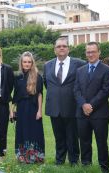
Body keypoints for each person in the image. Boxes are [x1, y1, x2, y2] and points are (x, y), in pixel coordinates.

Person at [43, 37, 86, 166]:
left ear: (68, 49)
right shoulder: (47, 65)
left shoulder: (79, 64)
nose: (61, 48)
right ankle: (59, 160)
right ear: (54, 49)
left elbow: (83, 84)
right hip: (54, 106)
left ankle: (73, 160)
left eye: (64, 46)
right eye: (59, 46)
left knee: (72, 136)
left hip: (72, 106)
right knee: (59, 136)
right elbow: (47, 83)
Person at [74, 42, 109, 173]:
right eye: (88, 52)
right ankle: (86, 165)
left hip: (100, 113)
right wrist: (83, 104)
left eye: (93, 51)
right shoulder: (80, 70)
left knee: (101, 142)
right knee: (84, 141)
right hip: (82, 113)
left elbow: (106, 90)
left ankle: (104, 169)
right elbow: (76, 90)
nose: (90, 54)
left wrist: (91, 105)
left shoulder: (107, 70)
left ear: (99, 52)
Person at [10, 51, 45, 163]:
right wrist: (11, 111)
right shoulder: (18, 76)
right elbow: (15, 96)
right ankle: (22, 156)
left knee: (35, 131)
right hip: (21, 108)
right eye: (25, 62)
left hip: (33, 107)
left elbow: (39, 94)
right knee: (22, 131)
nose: (27, 64)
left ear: (32, 63)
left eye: (29, 62)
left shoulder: (37, 76)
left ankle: (36, 157)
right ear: (21, 63)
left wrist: (39, 110)